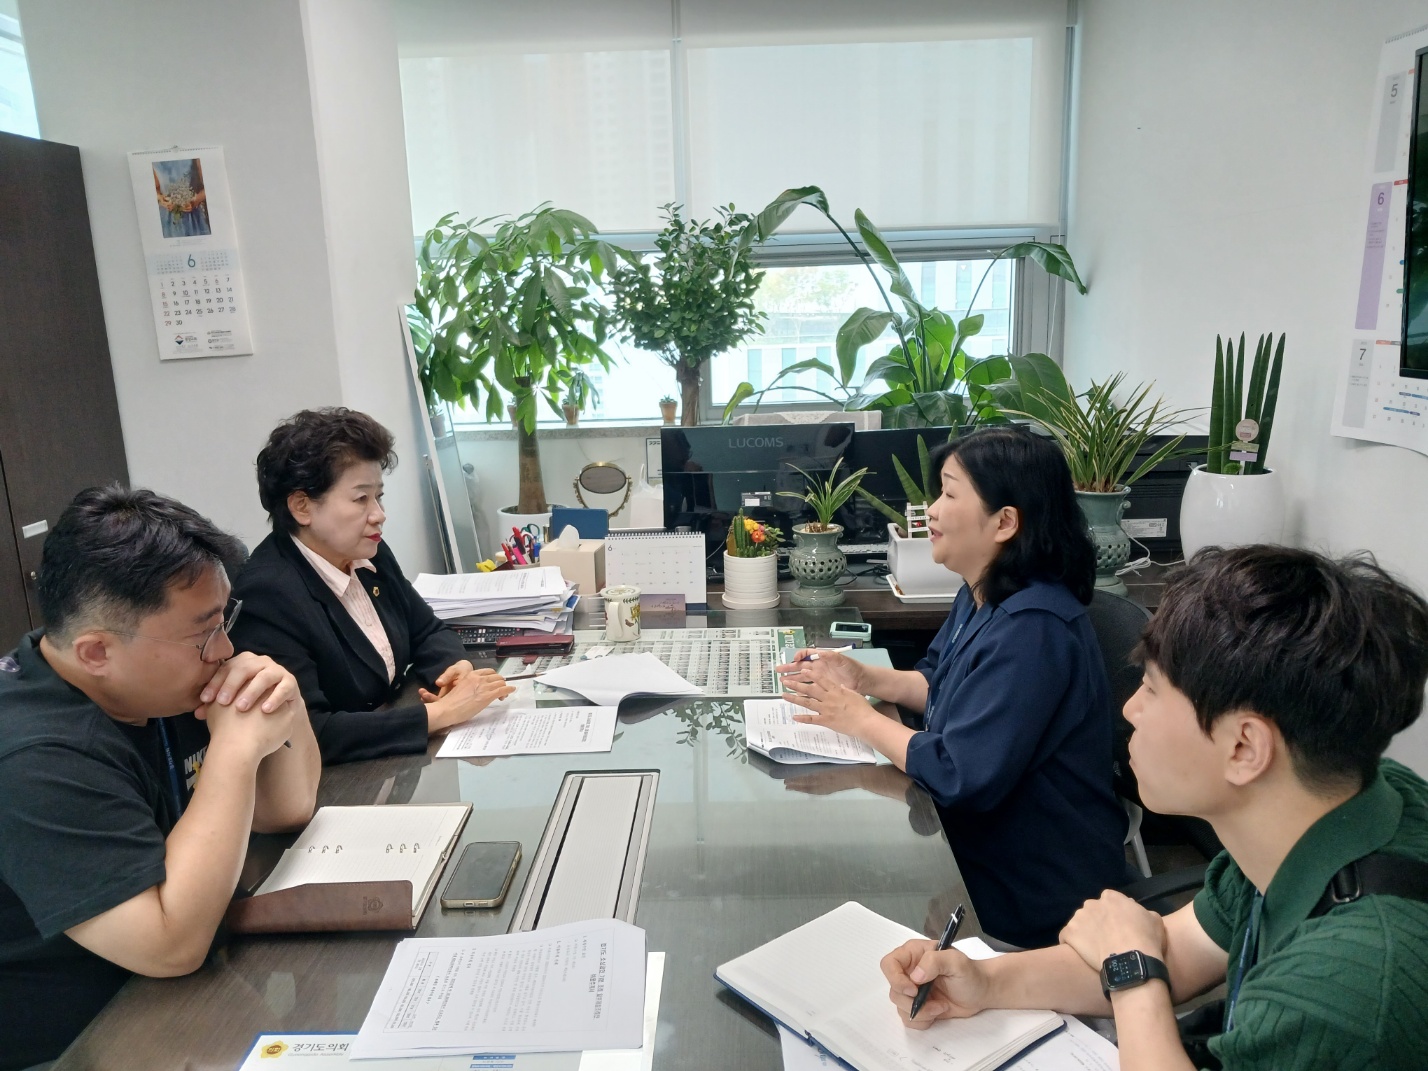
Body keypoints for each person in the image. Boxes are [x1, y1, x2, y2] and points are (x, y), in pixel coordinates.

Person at [881, 546, 1428, 1070]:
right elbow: (1186, 950)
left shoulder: (1350, 990)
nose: (1130, 710)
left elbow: (1147, 960)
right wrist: (985, 982)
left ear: (1244, 747)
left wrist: (1130, 967)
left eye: (1151, 689)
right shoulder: (1330, 810)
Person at [0, 486, 320, 1069]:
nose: (225, 649)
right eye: (204, 634)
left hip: (175, 1000)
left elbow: (286, 810)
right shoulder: (34, 758)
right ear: (97, 652)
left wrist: (284, 699)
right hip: (78, 1041)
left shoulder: (158, 678)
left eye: (225, 620)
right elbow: (170, 947)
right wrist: (233, 752)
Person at [778, 427, 1129, 948]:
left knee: (833, 892)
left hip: (1034, 882)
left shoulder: (1034, 630)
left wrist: (859, 718)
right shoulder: (984, 593)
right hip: (979, 841)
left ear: (1005, 522)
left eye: (948, 494)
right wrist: (865, 678)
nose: (932, 511)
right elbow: (941, 684)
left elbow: (958, 772)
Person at [229, 408, 513, 765]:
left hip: (393, 765)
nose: (379, 514)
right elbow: (308, 732)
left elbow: (427, 631)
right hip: (336, 784)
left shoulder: (367, 554)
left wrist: (453, 670)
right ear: (302, 507)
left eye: (378, 496)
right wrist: (440, 714)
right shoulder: (268, 594)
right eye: (361, 499)